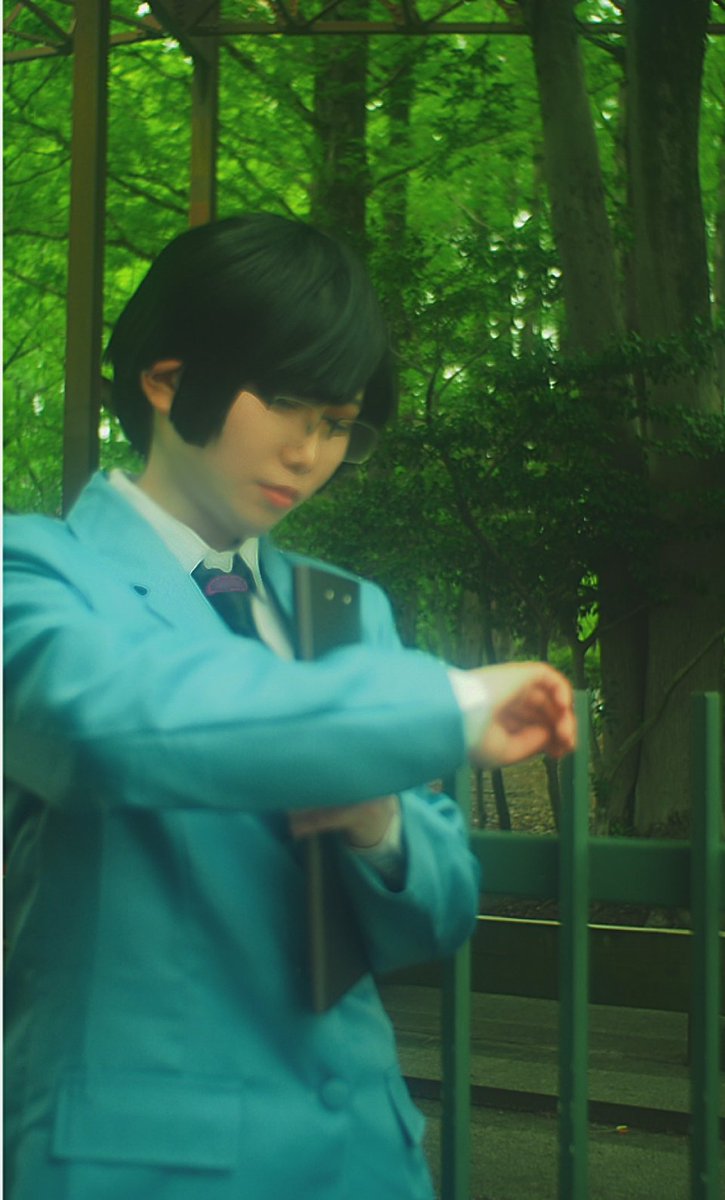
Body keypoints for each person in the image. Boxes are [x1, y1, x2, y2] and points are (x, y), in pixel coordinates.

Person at [3, 213, 576, 1200]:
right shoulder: (37, 571)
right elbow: (106, 726)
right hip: (142, 1164)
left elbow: (440, 906)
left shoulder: (345, 610)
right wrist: (437, 707)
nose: (310, 453)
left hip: (363, 1160)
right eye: (285, 405)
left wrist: (376, 819)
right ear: (166, 380)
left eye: (338, 422)